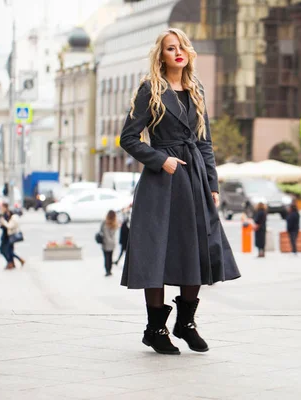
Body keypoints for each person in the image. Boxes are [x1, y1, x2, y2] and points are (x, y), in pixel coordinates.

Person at [119, 28, 241, 355]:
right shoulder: (150, 90)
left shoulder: (196, 89)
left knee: (196, 248)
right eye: (170, 48)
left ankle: (185, 323)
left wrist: (212, 185)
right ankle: (155, 329)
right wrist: (161, 160)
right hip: (161, 182)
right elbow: (128, 138)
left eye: (182, 46)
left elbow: (204, 142)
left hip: (195, 179)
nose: (178, 52)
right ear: (161, 55)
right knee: (156, 252)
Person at [0, 202, 24, 269]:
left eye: (2, 207)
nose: (1, 208)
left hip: (8, 235)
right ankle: (13, 263)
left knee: (5, 250)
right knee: (9, 250)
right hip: (7, 235)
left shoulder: (8, 214)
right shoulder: (5, 213)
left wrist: (3, 222)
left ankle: (12, 262)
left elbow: (9, 225)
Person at [100, 210, 118, 277]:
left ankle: (107, 271)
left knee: (106, 257)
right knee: (110, 257)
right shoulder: (114, 223)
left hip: (105, 243)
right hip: (112, 243)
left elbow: (102, 232)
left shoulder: (104, 223)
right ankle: (109, 271)